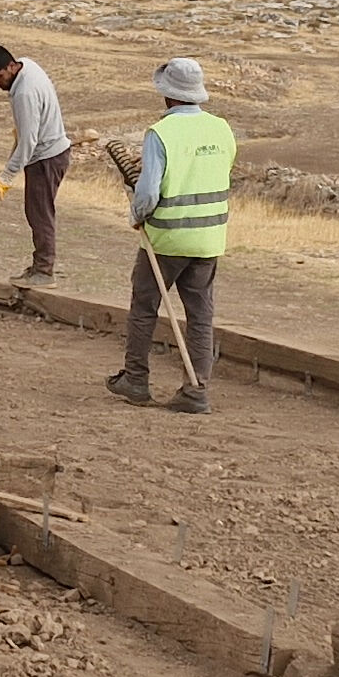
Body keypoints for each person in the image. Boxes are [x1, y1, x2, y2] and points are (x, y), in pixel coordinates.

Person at [113, 57, 235, 412]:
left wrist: (136, 215)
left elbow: (148, 193)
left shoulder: (160, 134)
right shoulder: (221, 129)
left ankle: (135, 379)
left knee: (144, 306)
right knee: (200, 315)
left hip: (167, 238)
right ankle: (197, 390)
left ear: (167, 95)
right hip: (210, 237)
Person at [0, 43, 69, 284]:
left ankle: (44, 271)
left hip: (46, 157)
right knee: (37, 211)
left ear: (11, 66)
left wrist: (8, 174)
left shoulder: (24, 93)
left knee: (39, 214)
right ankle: (40, 265)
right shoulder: (27, 65)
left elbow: (28, 142)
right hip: (49, 152)